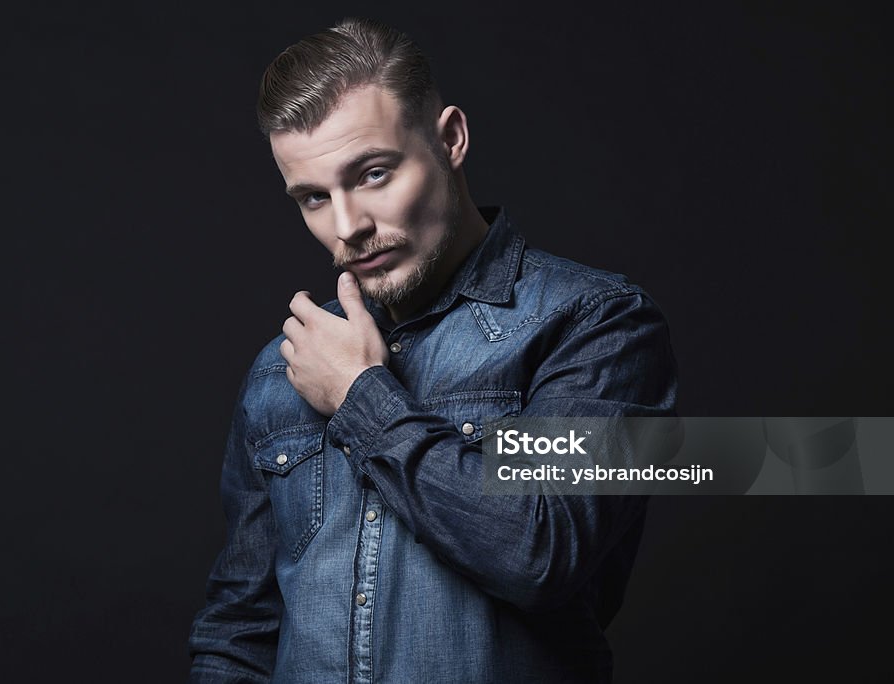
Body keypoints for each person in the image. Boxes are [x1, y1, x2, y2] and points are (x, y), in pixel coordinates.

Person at [189, 17, 677, 683]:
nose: (347, 226)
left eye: (375, 173)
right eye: (313, 198)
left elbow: (539, 552)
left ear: (450, 139)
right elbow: (240, 636)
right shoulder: (283, 370)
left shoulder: (594, 326)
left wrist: (362, 397)